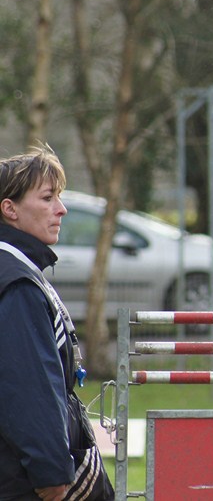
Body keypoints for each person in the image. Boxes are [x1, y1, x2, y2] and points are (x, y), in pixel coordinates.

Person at [0, 145, 113, 501]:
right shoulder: (17, 284)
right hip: (25, 482)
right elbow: (30, 386)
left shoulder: (19, 272)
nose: (61, 209)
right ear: (10, 209)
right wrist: (52, 473)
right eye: (48, 198)